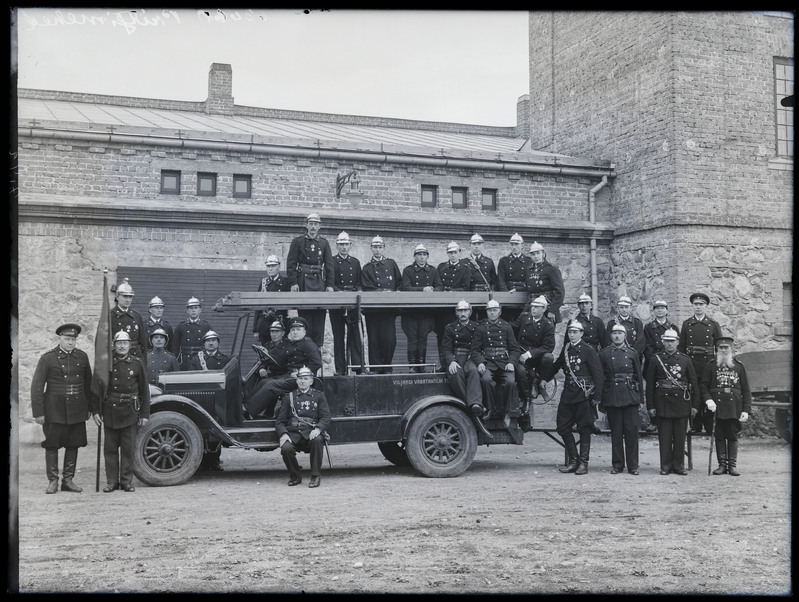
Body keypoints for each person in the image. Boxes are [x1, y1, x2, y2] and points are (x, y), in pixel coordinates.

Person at [30, 323, 96, 494]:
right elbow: (37, 386)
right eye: (67, 339)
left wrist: (90, 407)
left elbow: (88, 384)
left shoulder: (82, 357)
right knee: (52, 445)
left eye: (73, 339)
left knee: (73, 444)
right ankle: (53, 480)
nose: (70, 343)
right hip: (54, 410)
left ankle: (68, 480)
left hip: (77, 408)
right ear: (59, 339)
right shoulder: (48, 358)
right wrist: (39, 412)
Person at [96, 331, 150, 492]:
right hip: (110, 410)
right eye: (119, 343)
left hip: (130, 411)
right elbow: (98, 389)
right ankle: (112, 481)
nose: (122, 346)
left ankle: (126, 481)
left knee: (128, 449)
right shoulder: (107, 364)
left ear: (129, 345)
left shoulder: (136, 363)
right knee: (110, 449)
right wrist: (95, 411)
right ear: (114, 345)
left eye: (125, 343)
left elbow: (144, 391)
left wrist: (144, 414)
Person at [551, 320, 604, 475]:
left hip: (583, 396)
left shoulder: (588, 350)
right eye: (570, 332)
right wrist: (542, 378)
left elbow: (598, 375)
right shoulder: (566, 349)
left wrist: (597, 398)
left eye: (575, 332)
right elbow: (556, 366)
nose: (572, 335)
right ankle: (573, 461)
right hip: (568, 395)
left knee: (584, 429)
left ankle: (583, 464)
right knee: (562, 427)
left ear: (581, 333)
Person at [243, 317, 322, 419]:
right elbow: (279, 359)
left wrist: (300, 373)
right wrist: (266, 354)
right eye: (293, 330)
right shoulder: (290, 344)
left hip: (300, 379)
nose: (295, 333)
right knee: (264, 381)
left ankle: (248, 411)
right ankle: (245, 406)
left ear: (304, 331)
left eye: (298, 330)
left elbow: (317, 363)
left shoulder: (308, 345)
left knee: (271, 385)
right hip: (287, 375)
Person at [645, 328, 700, 476]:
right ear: (662, 342)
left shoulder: (685, 359)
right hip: (662, 402)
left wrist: (695, 405)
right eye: (667, 341)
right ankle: (665, 466)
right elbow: (650, 385)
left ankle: (679, 466)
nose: (669, 344)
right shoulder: (656, 359)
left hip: (681, 402)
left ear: (677, 342)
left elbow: (694, 384)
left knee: (680, 436)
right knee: (665, 437)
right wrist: (650, 406)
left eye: (672, 341)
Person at [701, 336, 752, 477]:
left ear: (731, 349)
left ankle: (732, 466)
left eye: (726, 348)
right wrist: (708, 401)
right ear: (717, 349)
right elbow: (704, 386)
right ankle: (722, 465)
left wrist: (746, 410)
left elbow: (746, 390)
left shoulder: (739, 366)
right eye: (721, 348)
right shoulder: (710, 365)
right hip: (716, 406)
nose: (723, 350)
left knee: (732, 435)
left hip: (733, 406)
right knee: (719, 435)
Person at [598, 324, 644, 475]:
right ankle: (617, 464)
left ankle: (633, 466)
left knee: (631, 432)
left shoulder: (632, 353)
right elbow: (601, 378)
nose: (617, 336)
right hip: (612, 395)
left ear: (625, 335)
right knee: (616, 432)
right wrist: (601, 400)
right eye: (614, 333)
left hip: (630, 395)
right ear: (611, 336)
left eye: (620, 333)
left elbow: (638, 375)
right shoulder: (604, 353)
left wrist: (641, 399)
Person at [275, 365, 331, 488]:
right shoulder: (289, 397)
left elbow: (326, 417)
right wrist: (283, 434)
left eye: (306, 379)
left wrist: (318, 429)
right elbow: (280, 421)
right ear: (296, 380)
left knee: (317, 440)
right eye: (300, 378)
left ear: (311, 381)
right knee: (286, 448)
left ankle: (315, 476)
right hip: (293, 433)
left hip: (311, 432)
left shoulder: (319, 396)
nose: (302, 381)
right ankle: (295, 477)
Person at [286, 212, 335, 348]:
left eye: (316, 224)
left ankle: (318, 347)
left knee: (319, 315)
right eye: (311, 224)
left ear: (319, 226)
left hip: (319, 281)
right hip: (303, 282)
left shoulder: (324, 243)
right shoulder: (298, 242)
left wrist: (330, 285)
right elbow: (291, 263)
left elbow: (329, 265)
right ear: (306, 225)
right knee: (305, 316)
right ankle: (305, 346)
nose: (313, 227)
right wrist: (294, 282)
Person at [471, 299, 521, 426]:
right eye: (489, 311)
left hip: (504, 362)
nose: (492, 313)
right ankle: (490, 408)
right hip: (488, 361)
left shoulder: (506, 327)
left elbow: (515, 349)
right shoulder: (481, 328)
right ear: (486, 312)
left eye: (494, 310)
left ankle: (507, 412)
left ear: (499, 312)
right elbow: (475, 350)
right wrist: (480, 362)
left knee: (510, 382)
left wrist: (511, 362)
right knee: (486, 380)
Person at [678, 292, 723, 434]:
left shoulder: (713, 325)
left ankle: (709, 426)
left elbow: (720, 346)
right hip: (691, 364)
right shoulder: (686, 324)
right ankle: (696, 425)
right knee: (694, 393)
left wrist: (719, 364)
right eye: (696, 304)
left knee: (709, 393)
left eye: (701, 304)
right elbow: (682, 347)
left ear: (706, 306)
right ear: (692, 306)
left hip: (708, 364)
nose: (698, 307)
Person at [189, 330, 230, 471]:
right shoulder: (196, 360)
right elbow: (192, 379)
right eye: (208, 341)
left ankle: (214, 461)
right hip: (200, 398)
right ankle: (201, 462)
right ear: (204, 344)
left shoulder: (225, 360)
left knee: (216, 429)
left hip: (218, 401)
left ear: (218, 343)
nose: (211, 343)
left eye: (214, 340)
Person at [361, 236, 402, 374]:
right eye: (375, 247)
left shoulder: (391, 264)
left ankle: (387, 366)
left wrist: (395, 293)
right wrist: (381, 292)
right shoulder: (366, 268)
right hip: (373, 310)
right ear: (371, 249)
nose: (377, 250)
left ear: (383, 248)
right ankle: (376, 368)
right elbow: (366, 286)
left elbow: (399, 283)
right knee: (374, 341)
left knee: (389, 340)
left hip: (388, 309)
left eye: (380, 247)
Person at [400, 243, 443, 372]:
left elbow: (440, 286)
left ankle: (422, 365)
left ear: (427, 257)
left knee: (423, 338)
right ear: (414, 257)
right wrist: (423, 289)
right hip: (411, 311)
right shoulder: (408, 270)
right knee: (412, 338)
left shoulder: (433, 270)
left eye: (424, 255)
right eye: (419, 255)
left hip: (427, 311)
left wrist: (433, 290)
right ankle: (412, 365)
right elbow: (406, 287)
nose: (422, 258)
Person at [511, 295, 555, 413]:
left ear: (544, 309)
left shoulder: (548, 325)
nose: (533, 309)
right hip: (521, 352)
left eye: (537, 307)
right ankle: (526, 398)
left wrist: (529, 354)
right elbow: (513, 327)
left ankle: (537, 381)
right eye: (532, 306)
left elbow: (548, 347)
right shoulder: (524, 318)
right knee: (519, 370)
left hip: (536, 358)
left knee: (549, 357)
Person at [440, 300, 484, 417]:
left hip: (471, 356)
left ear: (470, 312)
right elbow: (446, 349)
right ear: (456, 313)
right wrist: (451, 361)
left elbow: (478, 347)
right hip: (457, 356)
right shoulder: (450, 328)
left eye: (465, 310)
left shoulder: (477, 327)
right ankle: (468, 404)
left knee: (473, 371)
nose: (463, 313)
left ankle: (476, 403)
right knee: (454, 372)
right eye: (460, 311)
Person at [642, 299, 680, 434]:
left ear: (667, 311)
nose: (660, 310)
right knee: (653, 391)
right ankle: (653, 421)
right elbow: (647, 347)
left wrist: (667, 359)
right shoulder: (648, 327)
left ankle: (668, 418)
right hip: (653, 364)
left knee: (668, 389)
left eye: (662, 308)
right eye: (657, 308)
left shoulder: (673, 328)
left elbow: (676, 346)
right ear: (654, 311)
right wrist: (656, 360)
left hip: (669, 364)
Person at [329, 231, 364, 375]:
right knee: (338, 338)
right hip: (338, 302)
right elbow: (330, 282)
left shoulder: (355, 262)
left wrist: (358, 292)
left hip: (353, 302)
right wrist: (339, 293)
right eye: (341, 244)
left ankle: (358, 367)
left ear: (350, 245)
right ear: (337, 246)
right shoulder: (331, 261)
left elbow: (359, 282)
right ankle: (340, 369)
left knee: (356, 335)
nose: (344, 247)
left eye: (346, 244)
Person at [434, 241, 471, 369]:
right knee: (442, 336)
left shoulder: (465, 268)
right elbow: (437, 284)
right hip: (442, 309)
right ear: (447, 254)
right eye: (450, 253)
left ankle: (456, 362)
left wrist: (452, 292)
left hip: (457, 309)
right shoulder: (441, 267)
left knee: (456, 336)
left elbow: (466, 288)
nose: (453, 255)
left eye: (455, 252)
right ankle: (442, 363)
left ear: (459, 253)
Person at [252, 255, 290, 346]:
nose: (270, 269)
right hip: (265, 325)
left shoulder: (285, 282)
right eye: (268, 266)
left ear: (279, 267)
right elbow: (258, 306)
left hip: (280, 323)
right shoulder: (263, 282)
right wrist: (256, 329)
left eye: (273, 266)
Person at [524, 241, 565, 324]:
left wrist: (553, 311)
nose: (536, 256)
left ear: (543, 253)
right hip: (532, 305)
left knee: (547, 333)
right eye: (533, 254)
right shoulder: (528, 269)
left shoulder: (551, 269)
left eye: (538, 253)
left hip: (547, 307)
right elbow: (528, 287)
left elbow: (560, 292)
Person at [497, 232, 534, 323]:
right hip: (508, 294)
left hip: (523, 294)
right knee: (508, 321)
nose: (514, 247)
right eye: (512, 244)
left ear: (522, 245)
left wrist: (520, 291)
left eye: (517, 244)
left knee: (523, 321)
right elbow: (501, 280)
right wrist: (506, 295)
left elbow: (530, 281)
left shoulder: (528, 261)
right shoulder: (504, 261)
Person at [110, 278, 148, 366]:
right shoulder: (110, 315)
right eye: (125, 296)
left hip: (135, 359)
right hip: (116, 360)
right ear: (117, 296)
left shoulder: (136, 316)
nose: (128, 300)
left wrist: (143, 364)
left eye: (130, 297)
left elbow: (142, 343)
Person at [173, 297, 213, 371]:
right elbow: (175, 347)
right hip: (185, 361)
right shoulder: (181, 326)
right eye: (191, 308)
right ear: (187, 311)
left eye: (196, 308)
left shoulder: (206, 326)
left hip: (201, 360)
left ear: (200, 310)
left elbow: (213, 345)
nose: (193, 310)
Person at [606, 296, 645, 360]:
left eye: (626, 307)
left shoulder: (637, 323)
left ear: (631, 308)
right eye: (621, 307)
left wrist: (632, 355)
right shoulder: (612, 323)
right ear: (618, 308)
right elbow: (608, 341)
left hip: (634, 356)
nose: (624, 310)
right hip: (616, 356)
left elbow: (641, 342)